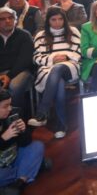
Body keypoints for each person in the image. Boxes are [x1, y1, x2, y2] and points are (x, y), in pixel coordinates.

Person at [28, 7, 81, 139]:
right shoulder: (41, 35)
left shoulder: (73, 31)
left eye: (60, 19)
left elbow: (80, 52)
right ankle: (61, 126)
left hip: (70, 66)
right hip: (48, 68)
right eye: (53, 19)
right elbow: (36, 57)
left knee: (58, 69)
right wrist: (51, 59)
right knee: (59, 82)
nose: (57, 22)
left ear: (64, 19)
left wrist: (66, 56)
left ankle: (42, 112)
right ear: (48, 21)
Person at [0, 89, 46, 193]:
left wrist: (24, 131)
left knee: (37, 146)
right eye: (5, 106)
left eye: (10, 104)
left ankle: (19, 182)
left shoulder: (12, 115)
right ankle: (28, 172)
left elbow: (25, 143)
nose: (10, 108)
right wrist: (3, 138)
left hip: (14, 159)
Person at [0, 8, 34, 114]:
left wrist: (9, 75)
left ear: (16, 20)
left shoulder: (24, 35)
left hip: (21, 71)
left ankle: (15, 118)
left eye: (10, 18)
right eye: (3, 19)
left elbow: (25, 60)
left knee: (14, 86)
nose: (7, 21)